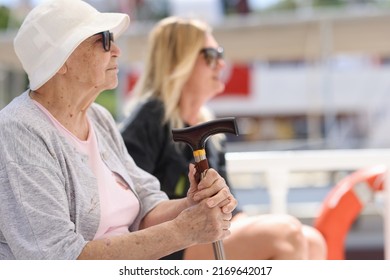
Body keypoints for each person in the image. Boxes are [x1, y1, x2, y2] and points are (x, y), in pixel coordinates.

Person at [0, 0, 237, 260]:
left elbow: (146, 205)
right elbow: (57, 259)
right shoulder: (19, 130)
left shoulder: (98, 118)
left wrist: (192, 204)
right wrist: (182, 231)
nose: (116, 50)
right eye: (103, 40)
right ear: (61, 60)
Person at [120, 16, 327, 260]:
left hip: (209, 232)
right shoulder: (149, 120)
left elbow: (231, 206)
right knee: (285, 233)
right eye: (211, 55)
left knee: (313, 241)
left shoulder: (209, 128)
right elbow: (131, 210)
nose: (221, 64)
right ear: (179, 61)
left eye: (221, 54)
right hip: (169, 246)